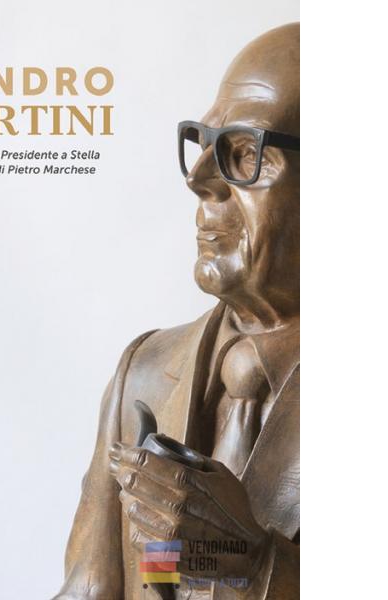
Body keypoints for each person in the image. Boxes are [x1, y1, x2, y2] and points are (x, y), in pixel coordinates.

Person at [55, 22, 300, 600]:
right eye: (203, 143)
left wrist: (258, 569)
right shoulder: (142, 371)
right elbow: (88, 590)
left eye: (246, 153)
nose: (199, 179)